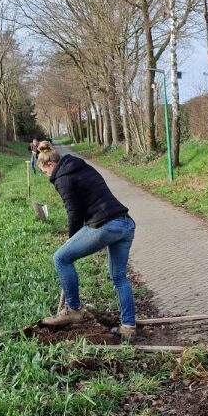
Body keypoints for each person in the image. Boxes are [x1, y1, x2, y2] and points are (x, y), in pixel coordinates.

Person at [36, 141, 137, 339]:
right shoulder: (80, 166)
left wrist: (70, 241)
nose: (47, 175)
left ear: (49, 165)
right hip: (125, 224)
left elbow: (74, 213)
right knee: (119, 278)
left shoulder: (61, 177)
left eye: (44, 172)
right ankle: (128, 327)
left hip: (105, 225)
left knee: (61, 258)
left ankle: (73, 309)